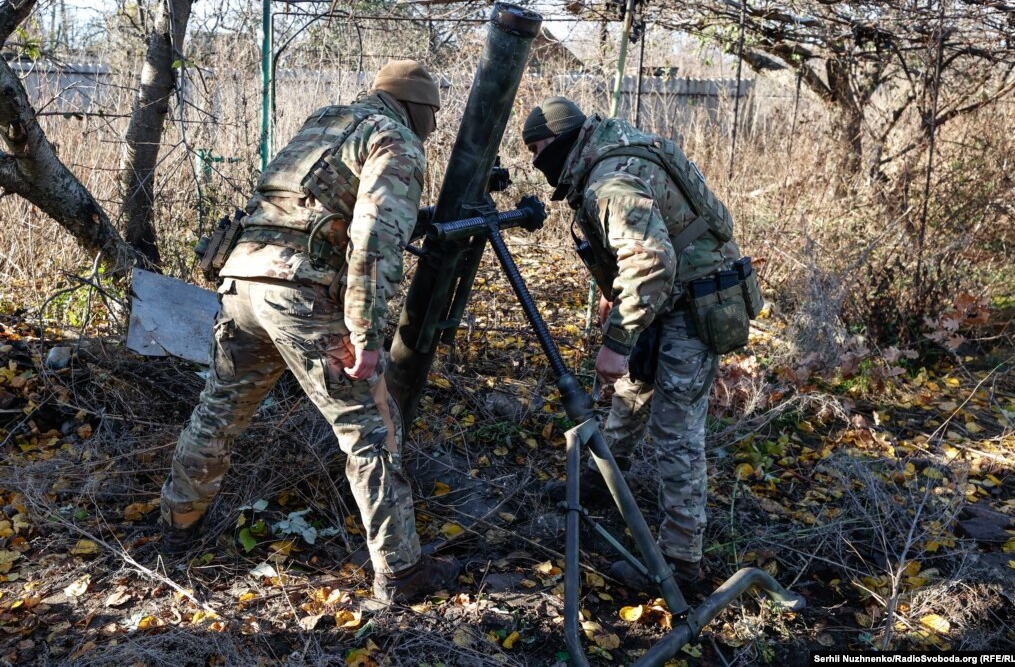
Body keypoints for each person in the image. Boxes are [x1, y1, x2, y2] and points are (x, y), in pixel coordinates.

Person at [160, 60, 458, 603]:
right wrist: (366, 336)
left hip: (241, 277)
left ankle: (175, 530)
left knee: (219, 410)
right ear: (420, 109)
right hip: (298, 293)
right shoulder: (395, 140)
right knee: (369, 429)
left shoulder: (328, 119)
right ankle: (401, 571)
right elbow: (376, 242)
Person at [522, 97, 756, 589]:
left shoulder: (610, 181)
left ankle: (681, 564)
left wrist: (618, 341)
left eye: (539, 149)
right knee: (629, 396)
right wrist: (617, 297)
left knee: (677, 434)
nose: (536, 161)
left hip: (694, 303)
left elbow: (651, 263)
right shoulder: (612, 145)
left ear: (562, 143)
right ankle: (604, 481)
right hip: (672, 297)